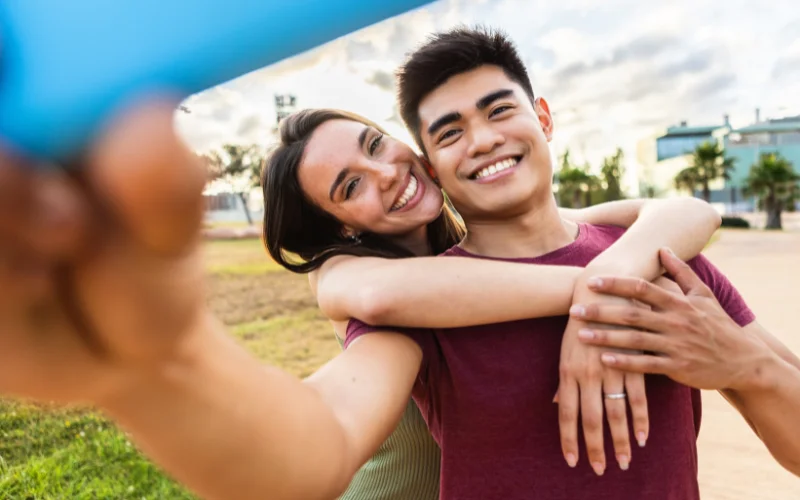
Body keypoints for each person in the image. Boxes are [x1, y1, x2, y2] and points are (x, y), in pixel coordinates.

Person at [0, 29, 798, 500]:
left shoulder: (666, 263)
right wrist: (156, 368)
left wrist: (745, 365)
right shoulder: (423, 311)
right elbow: (313, 445)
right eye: (449, 132)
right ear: (434, 160)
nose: (481, 140)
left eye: (498, 111)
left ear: (543, 117)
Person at [260, 107, 722, 499]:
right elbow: (379, 297)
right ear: (341, 227)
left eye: (375, 144)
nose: (385, 173)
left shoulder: (474, 239)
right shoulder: (343, 271)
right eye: (350, 186)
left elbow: (686, 212)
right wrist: (600, 293)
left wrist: (608, 277)